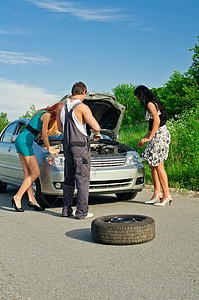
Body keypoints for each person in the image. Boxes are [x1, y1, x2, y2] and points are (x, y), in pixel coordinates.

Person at [57, 82, 101, 219]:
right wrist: (96, 134)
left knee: (68, 178)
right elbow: (96, 126)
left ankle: (66, 210)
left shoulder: (61, 107)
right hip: (80, 146)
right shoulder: (82, 107)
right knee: (82, 178)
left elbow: (60, 129)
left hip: (67, 145)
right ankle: (82, 212)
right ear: (83, 92)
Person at [12, 103, 61, 212]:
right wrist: (49, 149)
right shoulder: (47, 115)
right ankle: (17, 197)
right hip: (25, 142)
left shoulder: (41, 112)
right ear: (57, 110)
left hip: (21, 140)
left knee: (27, 173)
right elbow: (44, 135)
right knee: (35, 173)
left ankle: (32, 200)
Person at [134, 85, 172, 206]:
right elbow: (151, 126)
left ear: (142, 95)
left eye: (137, 97)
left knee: (159, 165)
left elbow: (157, 121)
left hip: (160, 136)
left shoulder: (151, 104)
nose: (137, 99)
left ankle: (166, 195)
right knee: (152, 165)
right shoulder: (152, 104)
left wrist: (150, 137)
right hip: (155, 135)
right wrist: (146, 138)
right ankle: (157, 193)